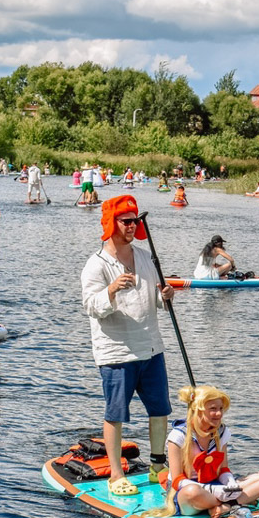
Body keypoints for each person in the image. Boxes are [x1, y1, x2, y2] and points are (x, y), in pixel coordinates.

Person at [80, 195, 177, 497]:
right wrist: (110, 290)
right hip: (116, 352)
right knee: (116, 413)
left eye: (135, 221)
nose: (132, 226)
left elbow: (155, 299)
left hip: (150, 347)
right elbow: (90, 307)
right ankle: (116, 475)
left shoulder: (146, 257)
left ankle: (158, 464)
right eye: (126, 221)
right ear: (112, 224)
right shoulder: (96, 265)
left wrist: (166, 297)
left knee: (160, 409)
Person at [147, 385, 259, 518]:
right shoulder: (178, 436)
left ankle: (225, 506)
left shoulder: (221, 432)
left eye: (221, 408)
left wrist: (230, 483)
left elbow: (223, 468)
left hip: (218, 487)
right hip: (188, 493)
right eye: (213, 409)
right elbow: (177, 480)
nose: (219, 414)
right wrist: (212, 490)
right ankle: (233, 503)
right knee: (192, 492)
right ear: (197, 410)